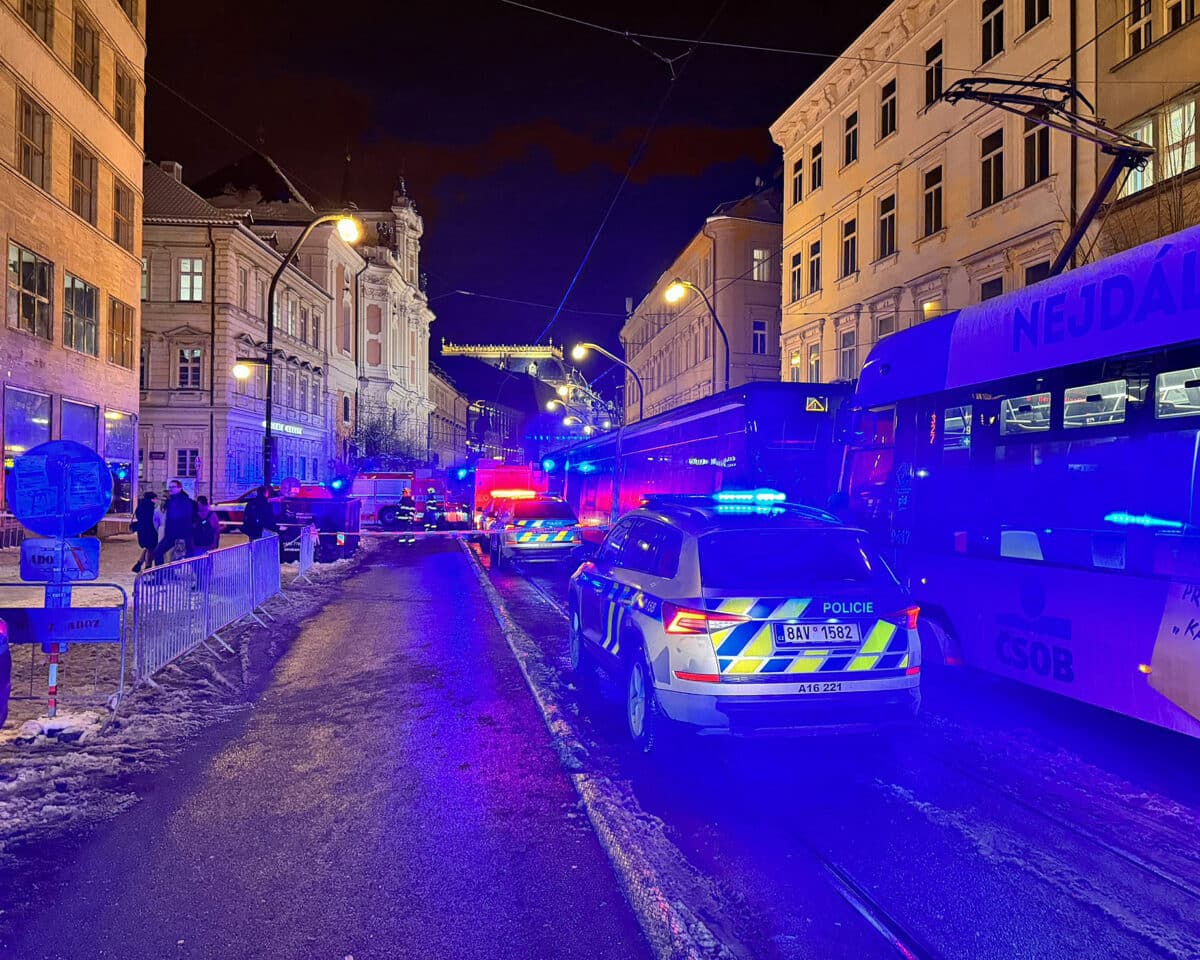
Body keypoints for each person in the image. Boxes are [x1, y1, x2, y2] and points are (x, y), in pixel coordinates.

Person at [154, 480, 194, 565]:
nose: (170, 489)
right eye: (170, 487)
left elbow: (183, 517)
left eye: (173, 487)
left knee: (189, 557)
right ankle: (160, 575)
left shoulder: (183, 500)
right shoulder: (172, 500)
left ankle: (201, 575)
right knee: (159, 552)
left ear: (179, 488)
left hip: (180, 534)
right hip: (172, 534)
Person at [132, 491, 160, 573]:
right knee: (151, 548)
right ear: (152, 499)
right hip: (150, 531)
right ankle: (148, 567)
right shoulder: (150, 507)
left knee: (148, 548)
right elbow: (152, 519)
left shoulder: (140, 505)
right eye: (155, 499)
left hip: (142, 530)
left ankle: (138, 564)